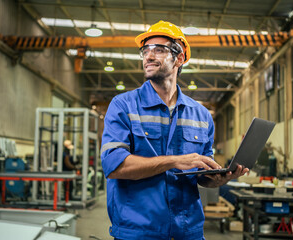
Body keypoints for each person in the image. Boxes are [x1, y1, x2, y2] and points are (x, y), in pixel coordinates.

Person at [100, 20, 249, 240]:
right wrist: (175, 161)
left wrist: (218, 179)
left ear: (179, 58)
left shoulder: (201, 115)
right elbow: (114, 166)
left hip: (188, 232)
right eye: (145, 50)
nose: (149, 57)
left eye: (159, 50)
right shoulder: (123, 106)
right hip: (138, 232)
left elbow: (200, 174)